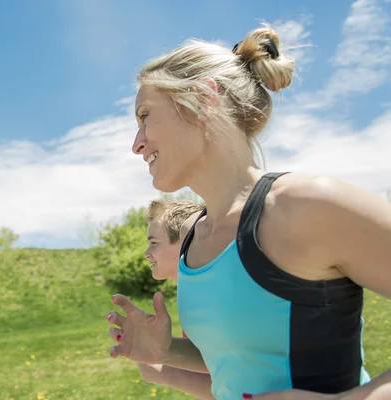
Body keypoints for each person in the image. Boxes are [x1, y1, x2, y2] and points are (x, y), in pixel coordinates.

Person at [106, 23, 391, 400]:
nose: (136, 144)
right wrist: (167, 352)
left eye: (145, 115)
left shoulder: (305, 206)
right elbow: (243, 362)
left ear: (203, 98)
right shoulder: (196, 240)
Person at [137, 199, 214, 399]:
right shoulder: (196, 293)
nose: (147, 254)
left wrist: (163, 372)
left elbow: (233, 385)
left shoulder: (206, 300)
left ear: (185, 240)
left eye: (154, 243)